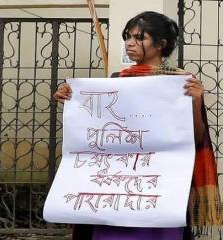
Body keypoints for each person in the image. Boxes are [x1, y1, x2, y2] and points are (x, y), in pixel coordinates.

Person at [54, 11, 221, 240]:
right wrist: (73, 98)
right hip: (116, 186)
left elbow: (196, 137)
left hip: (161, 186)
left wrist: (195, 102)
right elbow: (97, 130)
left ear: (161, 44)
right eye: (128, 37)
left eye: (139, 38)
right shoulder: (117, 80)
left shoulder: (182, 83)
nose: (129, 44)